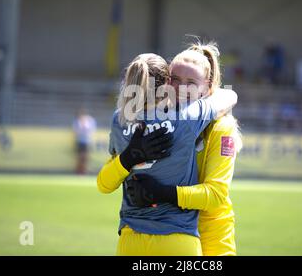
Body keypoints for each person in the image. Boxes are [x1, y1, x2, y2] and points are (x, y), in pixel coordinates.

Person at [96, 52, 238, 255]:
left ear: (208, 87)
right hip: (177, 236)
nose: (181, 89)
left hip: (212, 236)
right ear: (164, 82)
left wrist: (163, 192)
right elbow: (104, 181)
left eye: (191, 82)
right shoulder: (156, 120)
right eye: (176, 80)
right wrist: (128, 158)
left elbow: (215, 195)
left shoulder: (221, 127)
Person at [73, 109, 96, 174]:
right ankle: (79, 171)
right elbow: (76, 131)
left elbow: (91, 130)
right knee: (79, 157)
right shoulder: (77, 121)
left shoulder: (89, 120)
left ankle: (84, 171)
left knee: (85, 157)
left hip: (87, 141)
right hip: (80, 141)